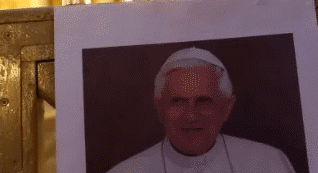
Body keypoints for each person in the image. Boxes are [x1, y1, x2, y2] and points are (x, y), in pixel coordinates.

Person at [108, 47, 296, 173]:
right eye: (177, 101)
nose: (190, 116)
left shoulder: (268, 163)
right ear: (160, 108)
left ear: (226, 108)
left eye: (204, 102)